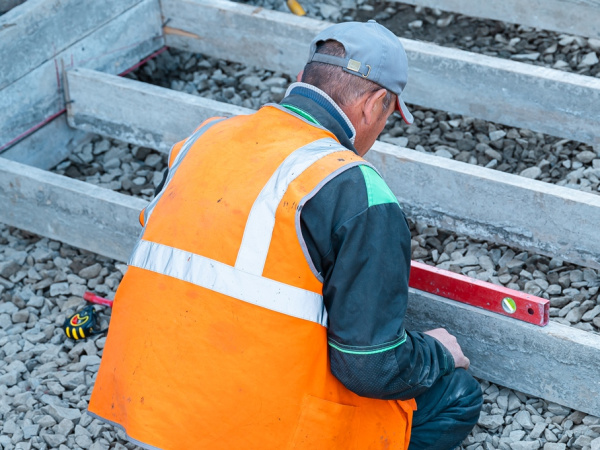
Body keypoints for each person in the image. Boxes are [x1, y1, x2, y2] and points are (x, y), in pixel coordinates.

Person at [88, 20, 482, 449]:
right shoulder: (353, 187)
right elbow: (370, 368)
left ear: (301, 80)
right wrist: (437, 353)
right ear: (374, 104)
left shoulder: (204, 139)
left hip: (150, 412)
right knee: (457, 396)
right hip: (247, 432)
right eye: (388, 115)